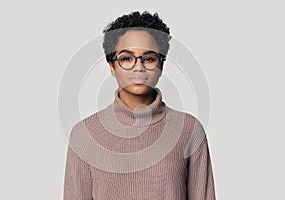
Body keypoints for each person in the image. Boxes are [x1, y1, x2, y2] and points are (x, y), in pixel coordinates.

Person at [63, 11, 216, 200]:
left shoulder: (189, 129)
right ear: (112, 66)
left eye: (149, 58)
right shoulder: (84, 134)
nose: (138, 67)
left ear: (161, 66)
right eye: (126, 58)